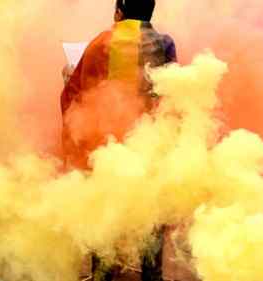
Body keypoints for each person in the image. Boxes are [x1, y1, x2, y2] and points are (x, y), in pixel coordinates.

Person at [60, 1, 176, 281]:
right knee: (152, 212)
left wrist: (67, 77)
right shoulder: (165, 43)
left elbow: (76, 97)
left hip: (108, 145)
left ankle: (102, 274)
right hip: (151, 143)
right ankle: (152, 274)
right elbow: (173, 91)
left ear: (118, 12)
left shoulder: (100, 44)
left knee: (105, 208)